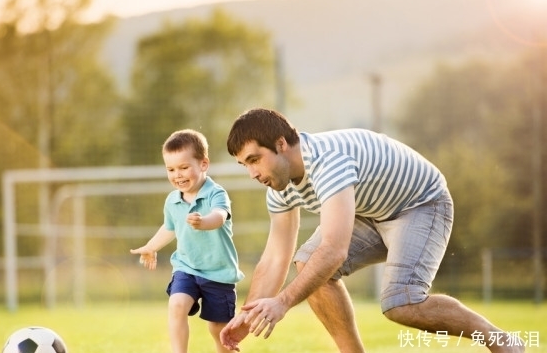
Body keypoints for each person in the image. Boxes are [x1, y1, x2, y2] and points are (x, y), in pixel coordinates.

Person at [219, 108, 524, 353]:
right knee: (307, 262)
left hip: (420, 204)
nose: (252, 173)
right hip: (370, 212)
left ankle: (502, 341)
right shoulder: (279, 186)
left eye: (254, 160)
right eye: (245, 164)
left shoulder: (328, 163)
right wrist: (249, 316)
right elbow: (275, 257)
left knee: (401, 303)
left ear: (281, 144)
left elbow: (334, 250)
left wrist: (283, 302)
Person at [130, 129, 244, 353]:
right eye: (171, 169)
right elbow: (169, 227)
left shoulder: (215, 193)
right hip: (187, 267)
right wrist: (151, 246)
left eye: (184, 167)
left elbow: (220, 216)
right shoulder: (172, 200)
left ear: (203, 164)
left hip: (218, 273)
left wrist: (204, 221)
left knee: (218, 330)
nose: (177, 175)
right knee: (177, 304)